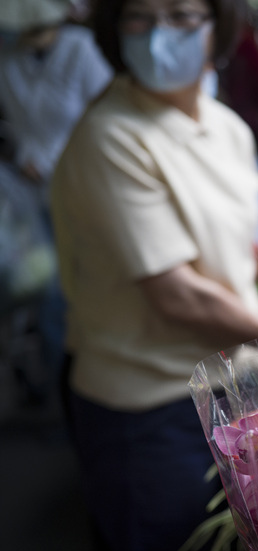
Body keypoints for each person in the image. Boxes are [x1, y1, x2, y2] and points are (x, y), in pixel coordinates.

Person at [48, 0, 258, 551]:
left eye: (182, 13)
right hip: (149, 407)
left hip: (235, 389)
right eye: (139, 16)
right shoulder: (111, 136)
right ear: (113, 30)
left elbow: (242, 251)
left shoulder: (225, 127)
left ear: (217, 26)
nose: (160, 33)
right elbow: (177, 293)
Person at [0, 0, 112, 405]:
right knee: (49, 293)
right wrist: (20, 157)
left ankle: (86, 391)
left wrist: (54, 157)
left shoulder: (81, 49)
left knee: (89, 288)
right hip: (32, 195)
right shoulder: (9, 59)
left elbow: (103, 116)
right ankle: (59, 395)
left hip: (84, 185)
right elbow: (16, 125)